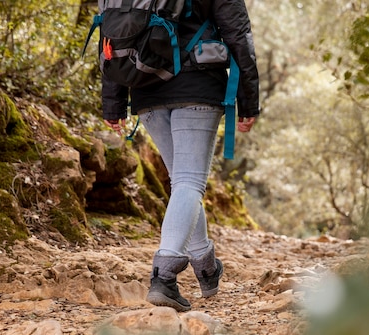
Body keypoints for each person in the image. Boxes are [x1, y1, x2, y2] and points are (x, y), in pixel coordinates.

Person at [101, 0, 259, 312]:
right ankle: (164, 276)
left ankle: (205, 264)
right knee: (189, 182)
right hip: (197, 85)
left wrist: (113, 102)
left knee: (182, 182)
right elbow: (239, 36)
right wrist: (249, 101)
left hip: (145, 88)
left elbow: (111, 36)